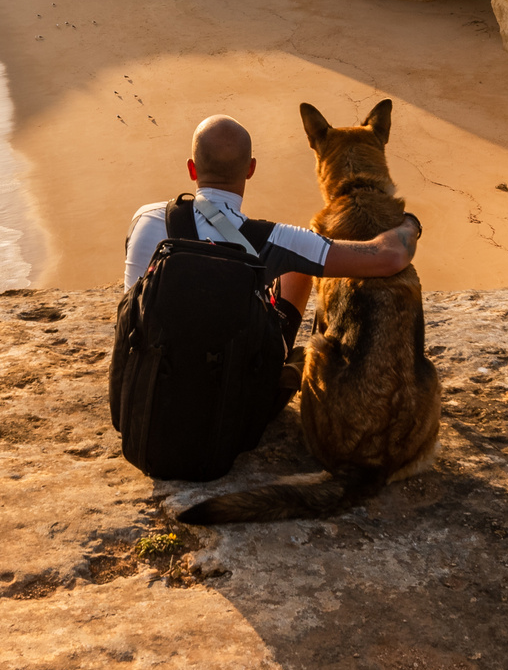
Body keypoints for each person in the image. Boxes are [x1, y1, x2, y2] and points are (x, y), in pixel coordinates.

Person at [110, 113, 423, 480]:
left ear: (193, 170)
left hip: (142, 409)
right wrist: (409, 223)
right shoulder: (276, 239)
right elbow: (390, 257)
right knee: (298, 268)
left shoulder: (146, 218)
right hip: (229, 423)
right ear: (251, 170)